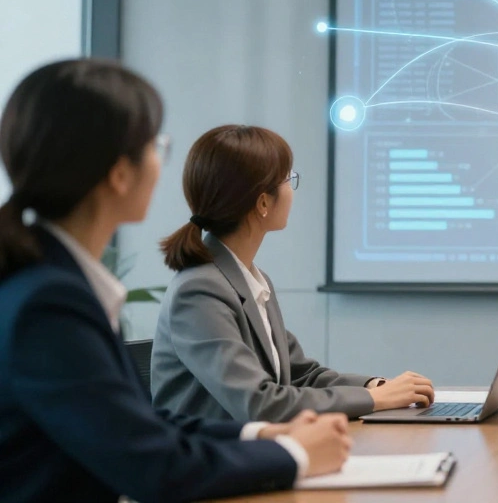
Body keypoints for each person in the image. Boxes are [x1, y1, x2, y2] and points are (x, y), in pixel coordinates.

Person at [0, 59, 350, 503]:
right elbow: (153, 466)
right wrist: (292, 454)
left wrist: (262, 432)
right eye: (155, 145)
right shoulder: (48, 304)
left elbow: (141, 423)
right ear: (119, 173)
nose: (162, 163)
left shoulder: (53, 285)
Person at [151, 125, 436, 422]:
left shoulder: (250, 280)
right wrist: (372, 399)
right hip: (216, 461)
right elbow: (260, 403)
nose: (292, 190)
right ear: (263, 202)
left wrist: (376, 387)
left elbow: (302, 375)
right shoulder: (199, 291)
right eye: (288, 180)